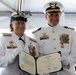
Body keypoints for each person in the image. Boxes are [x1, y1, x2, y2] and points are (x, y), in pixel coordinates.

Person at [32, 1, 76, 75]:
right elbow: (35, 55)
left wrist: (68, 61)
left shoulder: (70, 32)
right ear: (46, 16)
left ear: (60, 16)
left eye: (56, 15)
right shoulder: (37, 34)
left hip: (66, 72)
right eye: (51, 15)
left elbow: (75, 51)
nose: (54, 18)